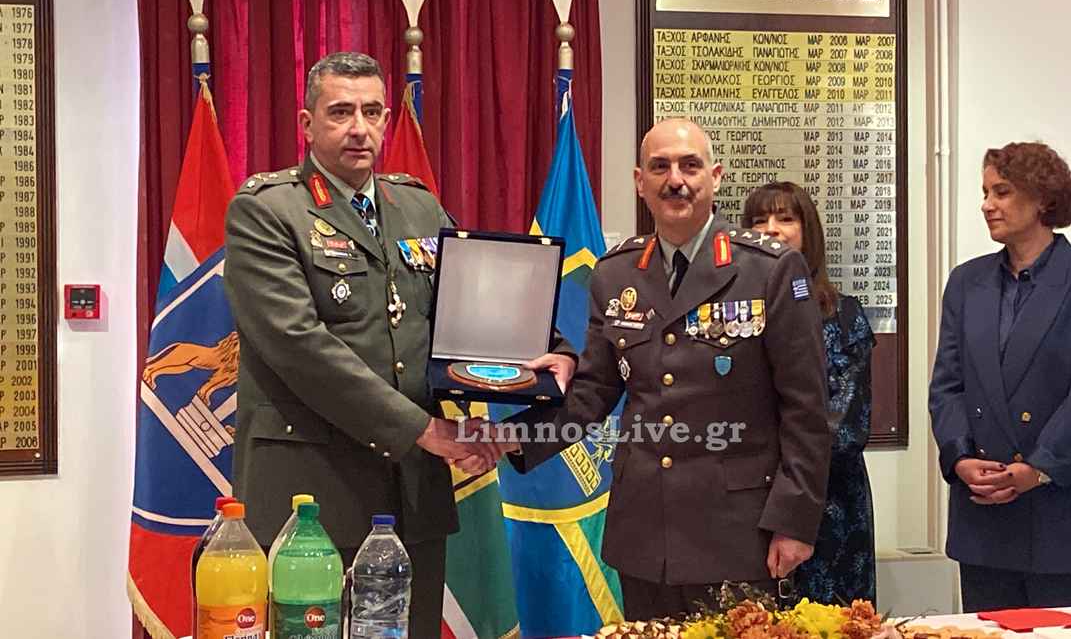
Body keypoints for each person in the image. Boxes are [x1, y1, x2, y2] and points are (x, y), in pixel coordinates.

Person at [222, 51, 573, 636]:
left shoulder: (416, 204)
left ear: (387, 119)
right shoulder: (267, 210)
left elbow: (475, 298)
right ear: (307, 124)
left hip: (411, 490)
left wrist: (550, 347)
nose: (359, 128)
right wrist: (422, 429)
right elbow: (298, 346)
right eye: (340, 112)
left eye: (372, 112)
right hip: (311, 488)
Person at [467, 118, 835, 620]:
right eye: (660, 167)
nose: (675, 180)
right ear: (640, 182)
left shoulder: (768, 270)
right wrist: (509, 437)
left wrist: (794, 521)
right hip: (644, 534)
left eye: (690, 166)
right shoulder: (615, 272)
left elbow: (807, 411)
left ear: (716, 177)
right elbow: (594, 391)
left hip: (738, 532)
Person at [929, 142, 1071, 611]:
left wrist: (1036, 470)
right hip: (984, 517)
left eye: (1001, 192)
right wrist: (959, 457)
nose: (986, 205)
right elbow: (947, 385)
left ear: (1042, 198)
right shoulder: (966, 282)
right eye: (985, 192)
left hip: (1067, 514)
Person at [742, 182, 877, 605]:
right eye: (759, 221)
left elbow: (844, 426)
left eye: (786, 219)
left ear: (808, 232)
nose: (771, 229)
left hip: (826, 504)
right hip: (747, 502)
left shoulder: (843, 315)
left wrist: (788, 485)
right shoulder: (731, 317)